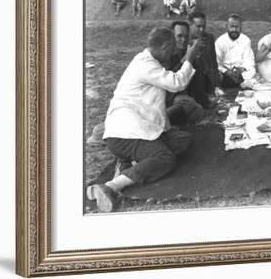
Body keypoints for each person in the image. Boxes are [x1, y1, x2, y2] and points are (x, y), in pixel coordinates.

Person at [86, 27, 203, 212]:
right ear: (165, 47)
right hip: (124, 133)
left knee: (183, 140)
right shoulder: (144, 65)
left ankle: (130, 162)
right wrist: (189, 59)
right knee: (165, 158)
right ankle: (111, 186)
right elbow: (176, 83)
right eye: (172, 48)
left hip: (140, 128)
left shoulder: (149, 62)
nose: (173, 53)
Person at [166, 21, 205, 125]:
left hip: (185, 97)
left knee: (198, 109)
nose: (183, 40)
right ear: (172, 36)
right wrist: (187, 59)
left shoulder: (188, 52)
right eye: (179, 36)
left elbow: (199, 81)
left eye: (186, 36)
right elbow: (172, 81)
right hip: (168, 98)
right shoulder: (166, 54)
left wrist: (196, 58)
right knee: (185, 104)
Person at [187, 12, 222, 108]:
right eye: (198, 26)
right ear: (190, 25)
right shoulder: (185, 40)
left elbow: (213, 62)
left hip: (207, 77)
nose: (201, 30)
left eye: (204, 26)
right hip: (191, 79)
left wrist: (217, 85)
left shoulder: (209, 38)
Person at [215, 13, 256, 89]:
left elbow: (249, 61)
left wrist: (242, 69)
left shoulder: (246, 40)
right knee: (217, 74)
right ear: (227, 26)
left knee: (252, 70)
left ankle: (242, 85)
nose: (234, 30)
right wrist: (226, 72)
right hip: (225, 73)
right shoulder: (220, 41)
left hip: (240, 72)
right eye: (232, 27)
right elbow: (216, 63)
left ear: (241, 27)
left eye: (237, 27)